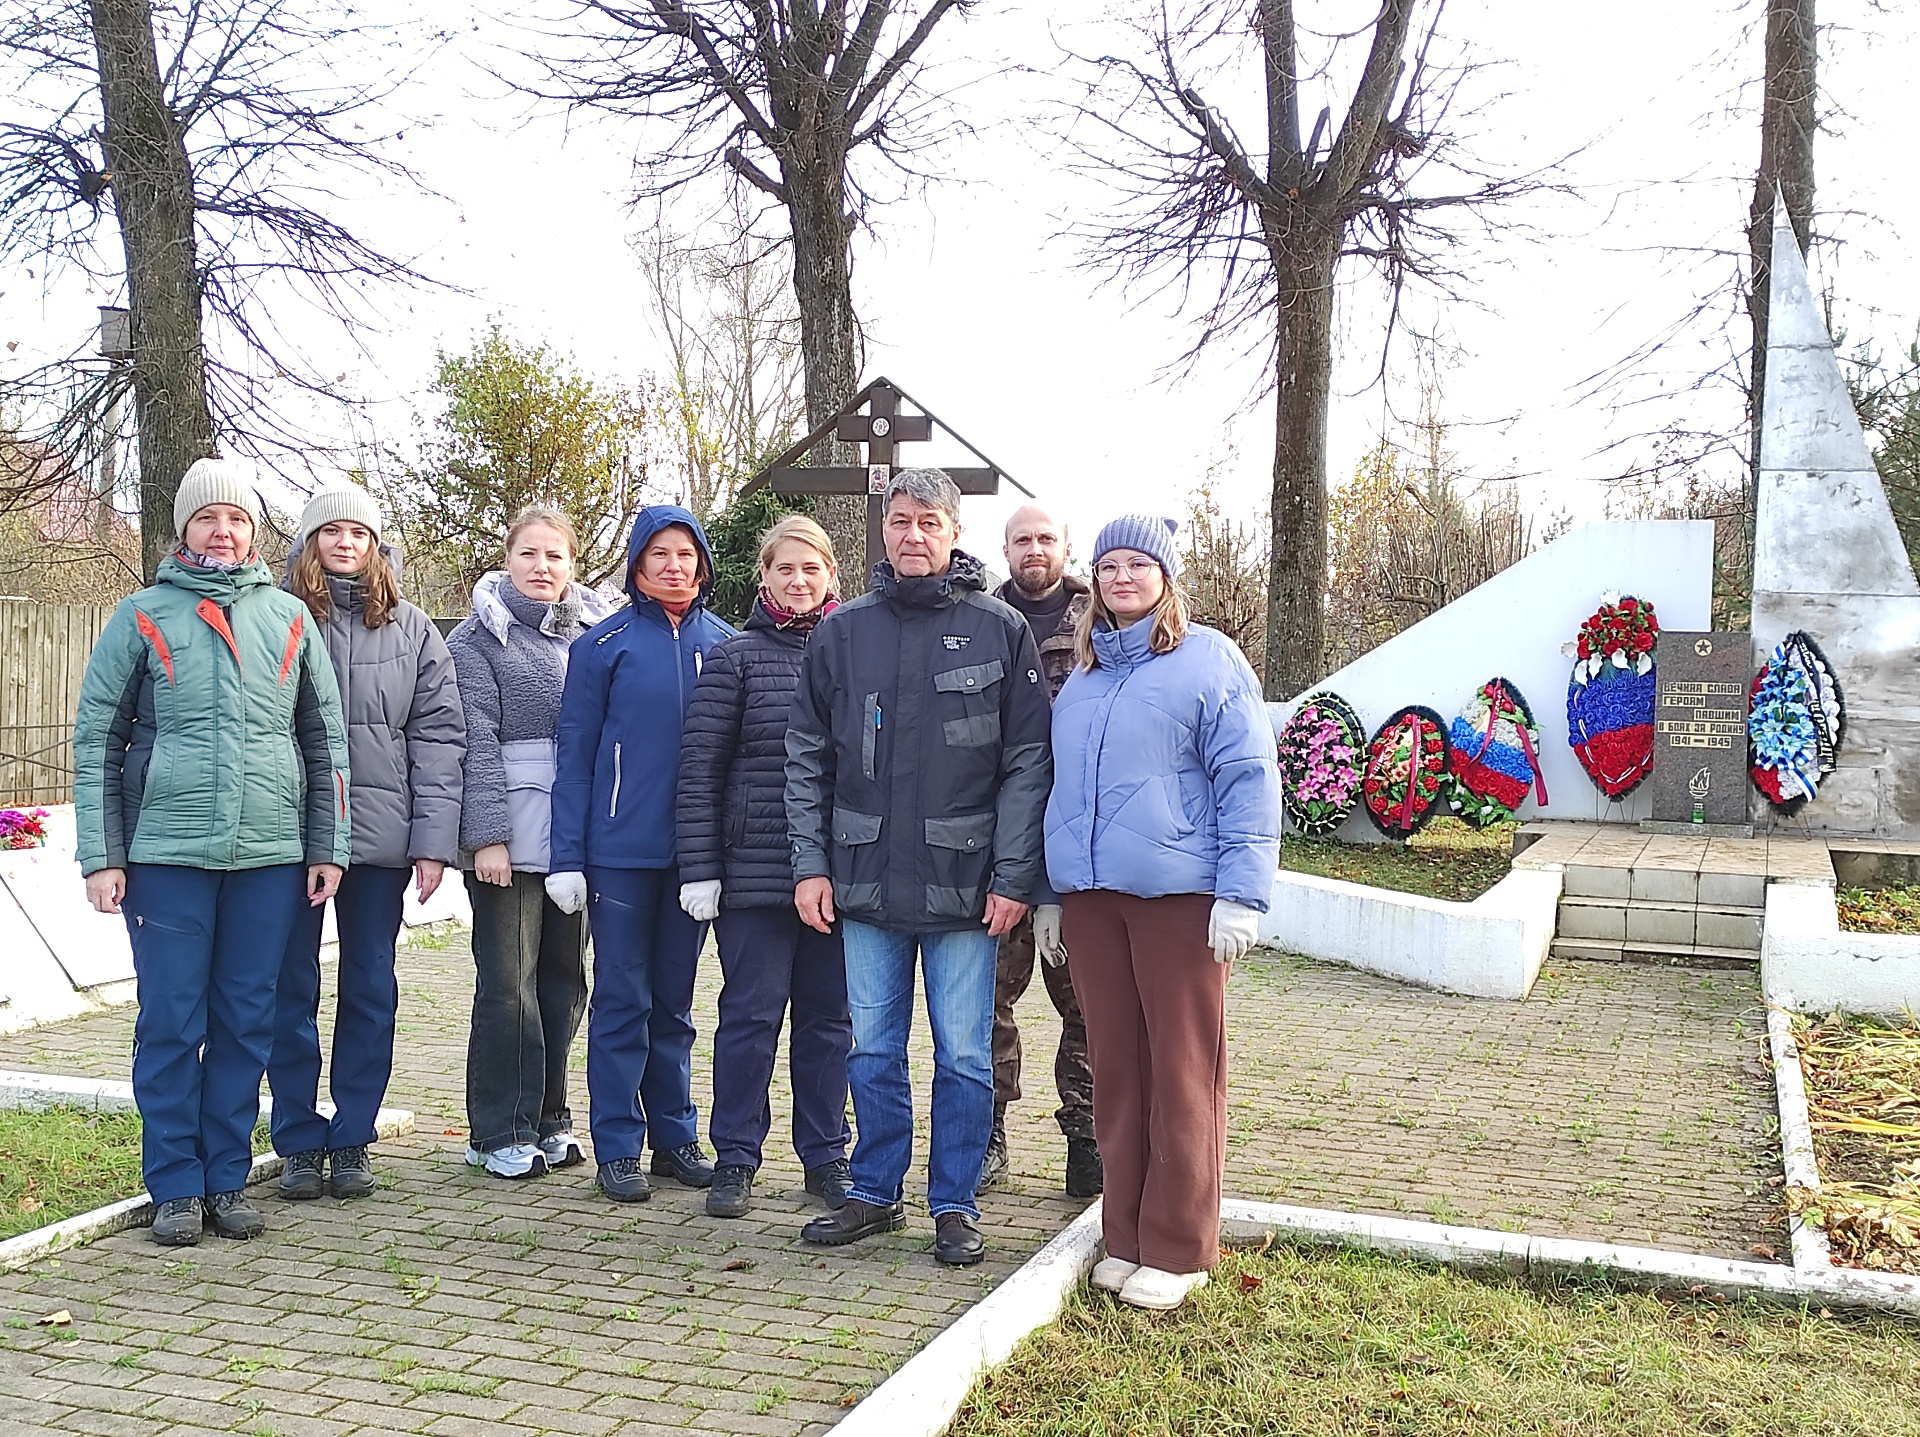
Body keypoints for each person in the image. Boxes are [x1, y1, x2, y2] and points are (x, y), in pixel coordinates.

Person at [73, 458, 351, 1245]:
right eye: (207, 518)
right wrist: (103, 855)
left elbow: (324, 738)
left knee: (245, 1020)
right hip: (167, 856)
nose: (222, 531)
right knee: (170, 1019)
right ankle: (173, 1183)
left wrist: (326, 843)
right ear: (183, 529)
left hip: (268, 855)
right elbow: (99, 738)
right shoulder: (141, 615)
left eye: (236, 519)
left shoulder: (290, 618)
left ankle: (226, 1175)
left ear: (254, 531)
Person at [786, 468, 1053, 1266]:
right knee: (870, 1047)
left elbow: (1027, 763)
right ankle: (874, 1190)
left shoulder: (1001, 630)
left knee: (964, 1053)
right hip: (863, 882)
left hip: (966, 889)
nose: (912, 535)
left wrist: (1012, 876)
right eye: (899, 521)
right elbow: (806, 756)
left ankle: (954, 1201)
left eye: (927, 523)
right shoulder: (842, 632)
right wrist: (810, 863)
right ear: (885, 530)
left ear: (953, 532)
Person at [1045, 515, 1280, 1311]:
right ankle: (1127, 1233)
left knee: (1182, 1069)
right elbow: (1058, 790)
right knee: (1116, 1069)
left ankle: (1179, 1244)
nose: (1119, 577)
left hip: (1178, 898)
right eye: (1107, 565)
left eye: (1136, 563)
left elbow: (1248, 774)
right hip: (1093, 901)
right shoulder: (1082, 677)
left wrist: (1243, 890)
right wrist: (1052, 893)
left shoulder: (1208, 659)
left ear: (1165, 575)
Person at [269, 484, 466, 1201]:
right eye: (331, 531)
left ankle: (352, 1135)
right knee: (289, 988)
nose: (345, 542)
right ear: (310, 543)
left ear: (376, 544)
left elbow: (440, 738)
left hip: (381, 841)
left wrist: (432, 841)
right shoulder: (283, 619)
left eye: (359, 531)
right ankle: (295, 1135)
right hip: (290, 836)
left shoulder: (412, 629)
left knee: (370, 988)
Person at [548, 507, 736, 1203]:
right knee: (621, 998)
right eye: (659, 553)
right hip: (619, 854)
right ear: (636, 564)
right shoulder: (604, 646)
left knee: (677, 1004)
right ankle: (618, 1143)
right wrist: (566, 854)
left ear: (702, 563)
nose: (674, 565)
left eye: (686, 553)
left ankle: (675, 1134)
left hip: (694, 861)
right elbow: (575, 757)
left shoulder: (726, 645)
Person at [676, 515, 853, 1219]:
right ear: (765, 578)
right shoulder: (736, 657)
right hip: (753, 873)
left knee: (828, 1022)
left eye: (812, 569)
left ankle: (826, 1154)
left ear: (831, 576)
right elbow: (700, 770)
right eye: (786, 569)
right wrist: (702, 867)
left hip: (837, 876)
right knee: (749, 1018)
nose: (799, 581)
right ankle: (737, 1157)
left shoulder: (851, 655)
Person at [448, 507, 613, 1180]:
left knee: (565, 980)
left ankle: (550, 1115)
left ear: (573, 566)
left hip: (574, 840)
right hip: (509, 844)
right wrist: (487, 837)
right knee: (508, 984)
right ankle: (496, 1129)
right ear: (506, 558)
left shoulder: (595, 637)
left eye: (556, 557)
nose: (543, 567)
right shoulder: (476, 641)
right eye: (530, 554)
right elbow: (474, 745)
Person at [982, 503, 1100, 1199]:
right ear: (1005, 548)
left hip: (1077, 840)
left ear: (1065, 545)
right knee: (987, 997)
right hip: (995, 842)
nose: (1034, 549)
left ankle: (1086, 1136)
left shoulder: (1099, 622)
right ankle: (988, 1131)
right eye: (1022, 539)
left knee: (1084, 1000)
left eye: (1046, 538)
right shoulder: (981, 620)